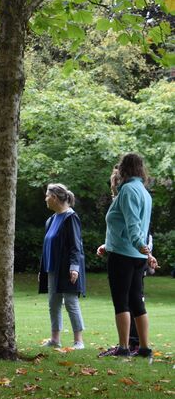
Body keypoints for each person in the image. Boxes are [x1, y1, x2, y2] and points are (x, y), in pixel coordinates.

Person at [97, 153, 158, 358]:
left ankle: (123, 348)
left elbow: (133, 225)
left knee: (121, 301)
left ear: (123, 169)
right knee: (136, 301)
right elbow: (132, 224)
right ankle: (144, 348)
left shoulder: (128, 191)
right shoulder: (144, 191)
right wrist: (109, 244)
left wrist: (140, 245)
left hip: (125, 255)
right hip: (136, 255)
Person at [38, 183, 86, 349]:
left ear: (54, 197)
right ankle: (55, 339)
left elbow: (76, 246)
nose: (45, 199)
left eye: (47, 195)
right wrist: (42, 270)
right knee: (53, 303)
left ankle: (79, 341)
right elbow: (46, 247)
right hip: (52, 269)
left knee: (71, 302)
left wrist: (74, 267)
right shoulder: (50, 220)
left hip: (67, 269)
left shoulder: (70, 218)